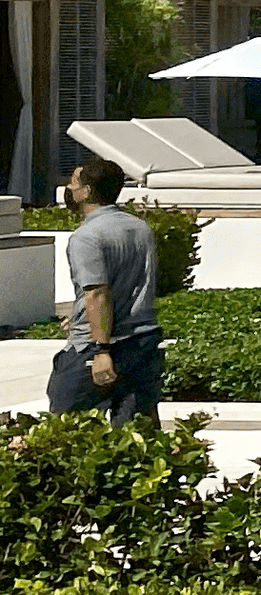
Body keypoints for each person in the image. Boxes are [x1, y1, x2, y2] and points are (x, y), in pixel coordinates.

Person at [47, 157, 162, 426]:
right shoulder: (139, 228)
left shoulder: (86, 237)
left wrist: (101, 350)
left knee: (67, 421)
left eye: (74, 183)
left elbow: (97, 293)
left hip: (100, 347)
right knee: (135, 433)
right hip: (142, 342)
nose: (69, 189)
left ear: (86, 191)